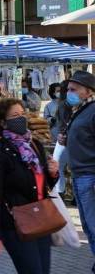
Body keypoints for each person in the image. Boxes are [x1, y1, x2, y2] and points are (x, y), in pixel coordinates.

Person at [0, 98, 59, 274]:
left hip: (41, 218)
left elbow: (43, 185)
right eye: (15, 115)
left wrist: (53, 173)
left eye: (22, 114)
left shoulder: (35, 145)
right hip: (16, 223)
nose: (21, 118)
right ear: (3, 122)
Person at [63, 71, 95, 265]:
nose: (69, 93)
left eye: (74, 89)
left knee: (93, 224)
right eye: (68, 89)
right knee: (88, 226)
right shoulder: (80, 110)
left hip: (90, 176)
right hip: (79, 175)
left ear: (88, 91)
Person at [52, 80, 72, 196]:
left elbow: (64, 123)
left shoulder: (64, 104)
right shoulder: (68, 104)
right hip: (69, 138)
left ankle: (60, 191)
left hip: (64, 139)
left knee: (57, 165)